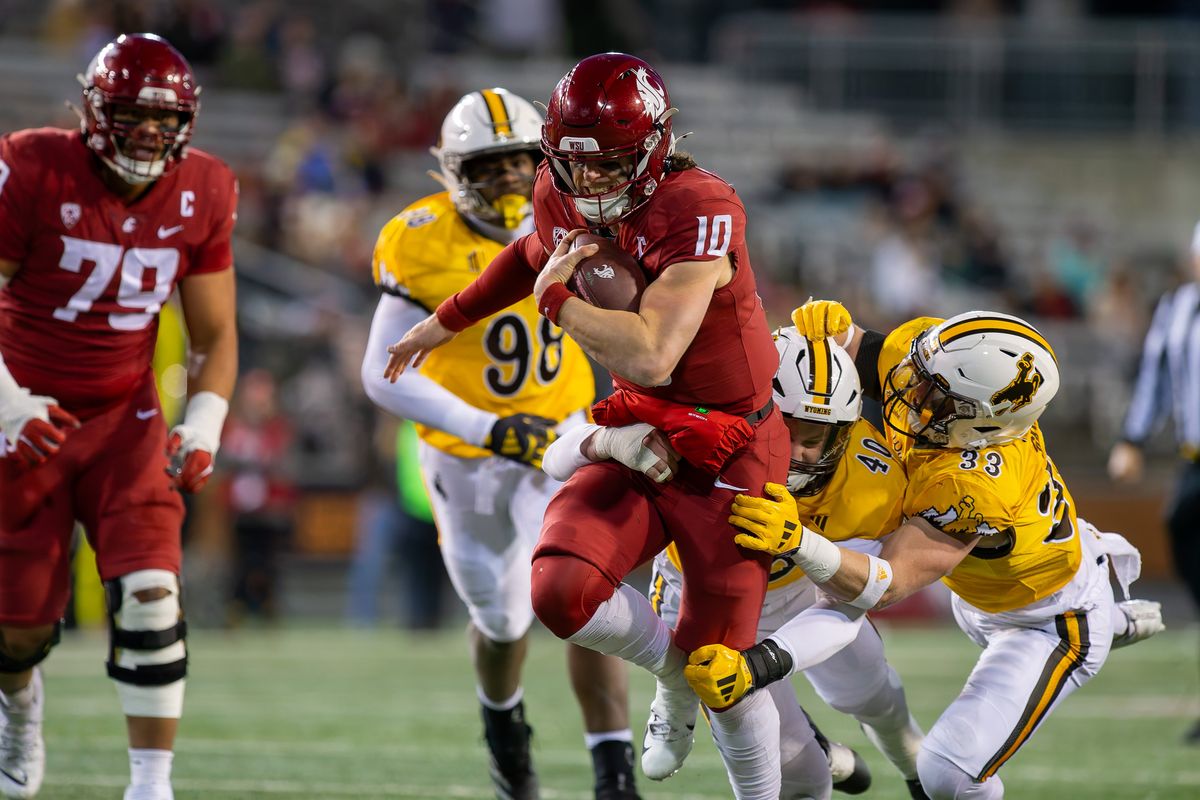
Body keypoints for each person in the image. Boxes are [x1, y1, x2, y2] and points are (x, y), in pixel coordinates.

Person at [384, 54, 790, 800]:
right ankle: (673, 671)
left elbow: (655, 351)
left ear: (655, 146)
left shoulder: (702, 205)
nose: (593, 184)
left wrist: (557, 304)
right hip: (638, 424)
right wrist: (443, 324)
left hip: (732, 441)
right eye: (577, 168)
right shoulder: (558, 189)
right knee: (559, 589)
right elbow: (527, 254)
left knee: (726, 676)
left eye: (610, 166)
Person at [686, 303, 1165, 799]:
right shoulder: (933, 367)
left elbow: (884, 584)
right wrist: (833, 334)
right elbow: (866, 356)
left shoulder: (974, 484)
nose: (906, 390)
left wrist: (800, 542)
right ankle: (1115, 614)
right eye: (918, 372)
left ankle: (1100, 622)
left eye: (931, 394)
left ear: (982, 426)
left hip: (1042, 621)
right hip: (992, 587)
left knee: (948, 775)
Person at [360, 87, 640, 800]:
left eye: (521, 164)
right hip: (469, 459)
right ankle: (502, 725)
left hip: (565, 435)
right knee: (503, 619)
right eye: (490, 168)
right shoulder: (420, 238)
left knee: (588, 600)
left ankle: (613, 773)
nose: (512, 182)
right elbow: (382, 372)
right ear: (453, 170)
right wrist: (490, 429)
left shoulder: (581, 221)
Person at [542, 328, 930, 799]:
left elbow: (856, 595)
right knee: (804, 777)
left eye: (818, 435)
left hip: (808, 592)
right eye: (790, 430)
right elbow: (556, 456)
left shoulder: (874, 479)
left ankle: (915, 769)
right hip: (701, 596)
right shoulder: (706, 427)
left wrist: (800, 547)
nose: (803, 451)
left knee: (872, 693)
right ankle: (803, 744)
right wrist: (610, 441)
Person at [0, 33, 238, 800]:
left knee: (150, 595)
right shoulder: (32, 166)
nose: (146, 136)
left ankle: (150, 786)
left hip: (123, 418)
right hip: (21, 414)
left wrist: (203, 420)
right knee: (18, 632)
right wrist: (3, 400)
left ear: (187, 126)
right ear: (94, 112)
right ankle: (19, 708)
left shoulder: (204, 186)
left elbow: (215, 334)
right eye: (130, 117)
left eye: (161, 122)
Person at [1108, 220, 1200, 745]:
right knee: (1184, 541)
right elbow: (1157, 375)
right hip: (1195, 459)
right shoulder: (1178, 306)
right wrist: (1133, 438)